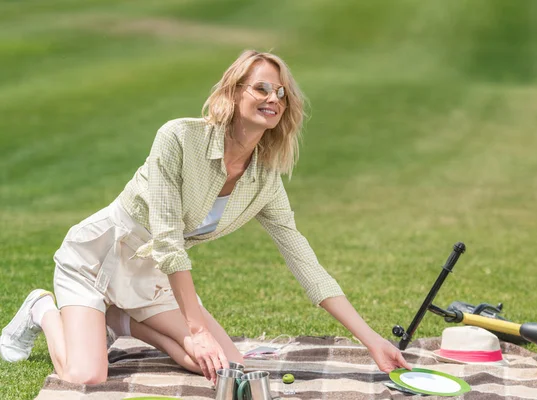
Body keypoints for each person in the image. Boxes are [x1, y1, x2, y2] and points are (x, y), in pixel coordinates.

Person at [0, 50, 411, 385]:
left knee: (226, 370)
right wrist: (195, 330)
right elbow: (167, 239)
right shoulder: (178, 137)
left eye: (281, 92)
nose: (273, 98)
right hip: (96, 260)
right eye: (261, 88)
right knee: (86, 375)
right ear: (233, 94)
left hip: (151, 278)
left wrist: (371, 340)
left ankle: (121, 320)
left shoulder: (265, 180)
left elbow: (305, 263)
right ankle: (41, 310)